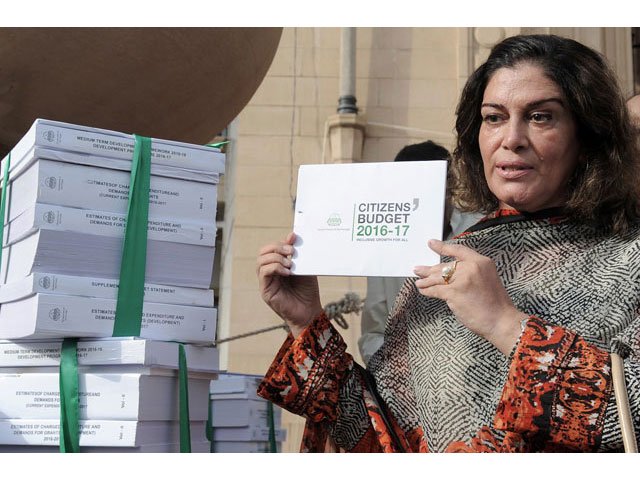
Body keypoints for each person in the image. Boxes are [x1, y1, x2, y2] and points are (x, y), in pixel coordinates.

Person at [256, 34, 640, 452]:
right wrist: (306, 322)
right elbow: (383, 440)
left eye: (541, 116)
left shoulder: (628, 254)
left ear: (587, 136)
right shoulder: (444, 264)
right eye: (494, 117)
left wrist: (506, 325)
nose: (511, 138)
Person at [358, 140, 482, 365]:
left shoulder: (482, 228)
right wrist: (396, 371)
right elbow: (373, 333)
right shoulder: (385, 247)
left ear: (449, 184)